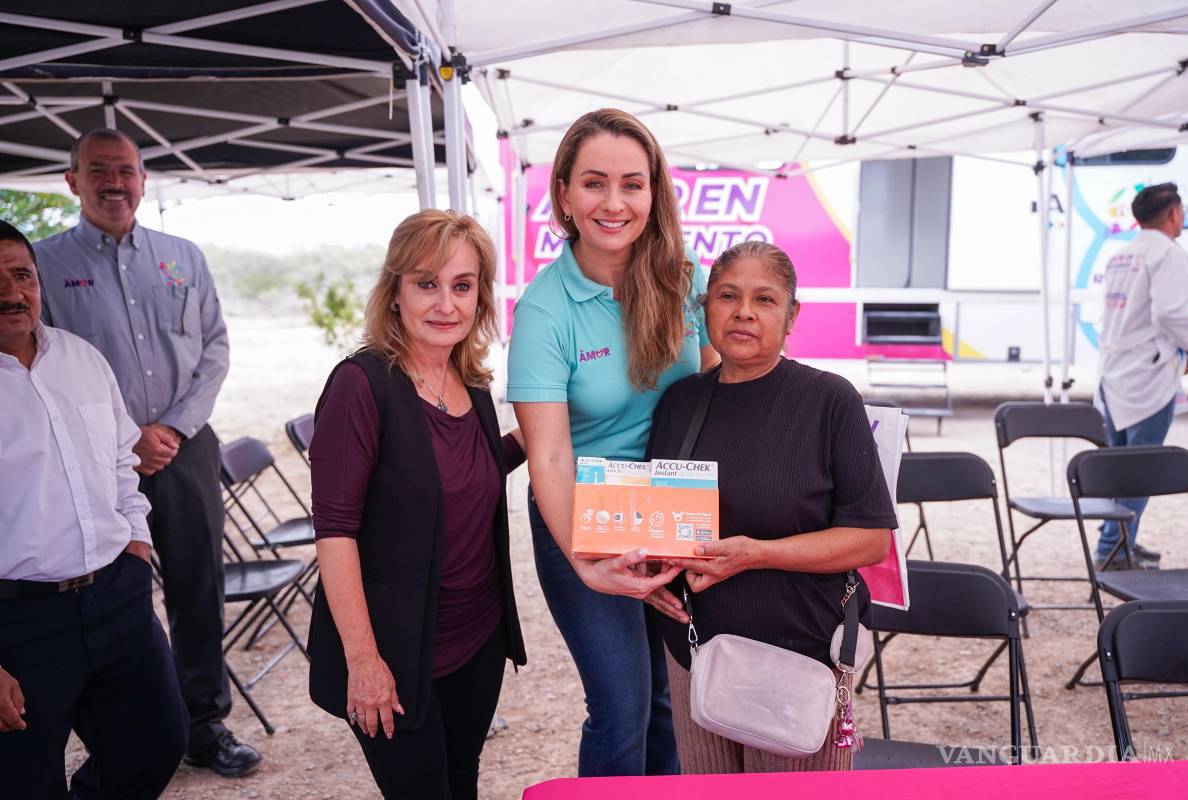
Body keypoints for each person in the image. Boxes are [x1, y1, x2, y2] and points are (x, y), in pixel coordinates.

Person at [32, 128, 257, 776]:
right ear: (72, 181)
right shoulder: (42, 265)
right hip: (93, 460)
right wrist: (125, 433)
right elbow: (39, 361)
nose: (115, 182)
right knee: (112, 592)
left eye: (126, 170)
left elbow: (214, 348)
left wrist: (174, 430)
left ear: (144, 179)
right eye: (98, 170)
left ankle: (204, 725)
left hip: (184, 450)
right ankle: (124, 737)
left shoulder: (183, 256)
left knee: (198, 587)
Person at [507, 107, 719, 777]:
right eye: (595, 183)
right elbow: (547, 456)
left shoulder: (687, 281)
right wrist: (587, 561)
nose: (614, 202)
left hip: (678, 512)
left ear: (654, 192)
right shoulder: (544, 310)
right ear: (564, 193)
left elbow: (726, 396)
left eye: (633, 183)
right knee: (622, 704)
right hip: (585, 513)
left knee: (669, 701)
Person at [644, 241, 896, 773]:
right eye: (728, 296)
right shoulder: (680, 402)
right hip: (697, 650)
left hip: (798, 653)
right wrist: (653, 574)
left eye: (765, 299)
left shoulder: (830, 400)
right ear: (704, 306)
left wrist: (754, 554)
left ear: (791, 314)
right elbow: (660, 515)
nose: (744, 312)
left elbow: (870, 538)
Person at [307, 210, 527, 800]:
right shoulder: (362, 385)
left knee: (463, 783)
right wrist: (364, 661)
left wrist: (537, 436)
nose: (445, 304)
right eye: (426, 283)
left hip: (477, 637)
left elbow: (458, 476)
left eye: (462, 286)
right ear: (396, 290)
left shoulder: (469, 376)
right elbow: (334, 532)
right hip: (398, 652)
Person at [0, 220, 188, 798]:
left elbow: (119, 464)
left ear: (38, 279)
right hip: (18, 624)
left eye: (21, 275)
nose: (11, 292)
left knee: (156, 745)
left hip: (117, 597)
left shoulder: (81, 358)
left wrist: (136, 543)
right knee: (24, 783)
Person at [1094, 182, 1188, 570]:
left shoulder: (1121, 254)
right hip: (1148, 377)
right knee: (1140, 470)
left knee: (1119, 468)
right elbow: (1170, 315)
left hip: (1115, 374)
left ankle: (1119, 541)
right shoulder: (1169, 254)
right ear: (1172, 213)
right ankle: (1112, 551)